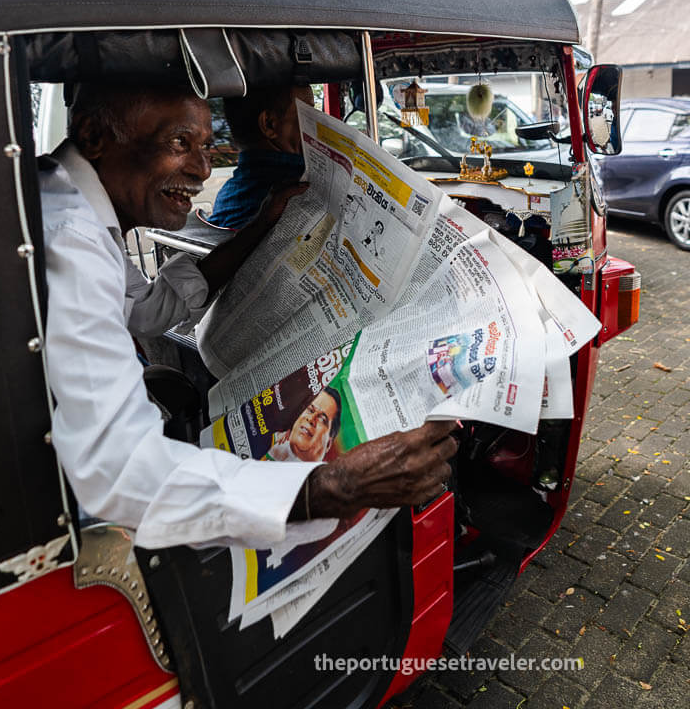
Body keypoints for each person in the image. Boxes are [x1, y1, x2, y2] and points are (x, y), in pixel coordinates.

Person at [40, 81, 455, 551]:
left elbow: (146, 310)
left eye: (205, 147)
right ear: (94, 136)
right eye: (179, 143)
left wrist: (262, 223)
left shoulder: (77, 210)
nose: (201, 170)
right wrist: (333, 486)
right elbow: (121, 476)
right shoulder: (70, 242)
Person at [207, 83, 316, 229]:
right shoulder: (300, 185)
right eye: (307, 113)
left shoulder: (229, 193)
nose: (316, 124)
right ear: (269, 124)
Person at [266, 387, 342, 463]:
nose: (311, 419)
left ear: (328, 444)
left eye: (322, 419)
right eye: (310, 409)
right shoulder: (272, 444)